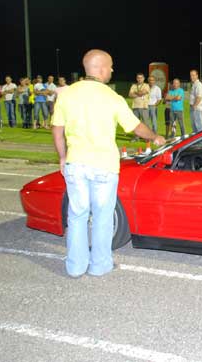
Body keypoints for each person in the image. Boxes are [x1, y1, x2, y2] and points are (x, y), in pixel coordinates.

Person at [52, 49, 165, 278]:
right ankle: (100, 265)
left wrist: (62, 157)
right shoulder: (112, 97)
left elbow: (57, 128)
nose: (112, 70)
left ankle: (75, 266)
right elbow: (135, 127)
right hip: (104, 165)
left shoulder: (66, 94)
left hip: (76, 163)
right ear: (101, 68)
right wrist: (154, 137)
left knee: (77, 216)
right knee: (102, 217)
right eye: (111, 66)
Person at [128, 73, 150, 141]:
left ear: (143, 78)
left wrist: (135, 92)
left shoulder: (146, 85)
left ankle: (147, 138)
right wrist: (138, 93)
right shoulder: (134, 85)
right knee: (135, 123)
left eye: (141, 78)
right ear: (136, 78)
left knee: (145, 123)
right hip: (135, 106)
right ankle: (136, 137)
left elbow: (142, 93)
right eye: (138, 78)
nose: (139, 79)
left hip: (143, 107)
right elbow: (130, 95)